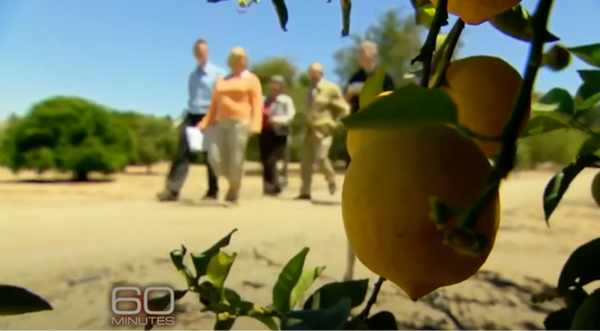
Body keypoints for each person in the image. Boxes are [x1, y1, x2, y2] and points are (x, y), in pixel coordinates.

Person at [157, 39, 226, 202]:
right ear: (194, 53)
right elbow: (192, 98)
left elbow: (220, 98)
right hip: (192, 114)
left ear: (208, 52)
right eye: (197, 51)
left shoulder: (218, 73)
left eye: (203, 50)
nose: (200, 53)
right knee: (182, 152)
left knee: (209, 154)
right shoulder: (192, 76)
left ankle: (212, 190)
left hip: (209, 115)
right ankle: (172, 190)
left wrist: (215, 117)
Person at [199, 47, 263, 205]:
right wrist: (206, 121)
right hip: (221, 122)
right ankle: (231, 181)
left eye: (242, 58)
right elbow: (215, 103)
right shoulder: (222, 80)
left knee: (236, 158)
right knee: (214, 156)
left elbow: (257, 102)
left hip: (241, 121)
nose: (240, 61)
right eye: (237, 58)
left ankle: (234, 189)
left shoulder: (251, 79)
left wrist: (256, 123)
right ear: (231, 60)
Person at [296, 63, 350, 201]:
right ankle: (305, 191)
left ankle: (331, 178)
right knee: (306, 162)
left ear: (321, 73)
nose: (313, 75)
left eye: (316, 72)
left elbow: (344, 108)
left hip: (324, 130)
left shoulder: (330, 88)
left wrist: (335, 124)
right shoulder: (310, 91)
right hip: (309, 130)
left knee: (321, 158)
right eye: (311, 72)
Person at [343, 40, 395, 167]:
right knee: (354, 160)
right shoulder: (355, 77)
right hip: (357, 124)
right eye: (359, 52)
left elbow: (392, 99)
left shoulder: (384, 76)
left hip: (377, 125)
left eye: (363, 52)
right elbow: (344, 98)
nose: (360, 55)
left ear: (373, 54)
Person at [259, 75, 296, 196]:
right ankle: (269, 186)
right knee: (265, 160)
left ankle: (277, 184)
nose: (274, 86)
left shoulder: (286, 100)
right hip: (265, 131)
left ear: (281, 86)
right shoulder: (264, 99)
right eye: (272, 83)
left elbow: (290, 116)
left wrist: (277, 120)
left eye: (277, 83)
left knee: (274, 159)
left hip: (279, 132)